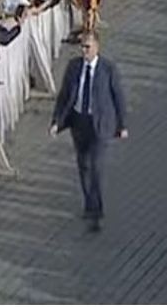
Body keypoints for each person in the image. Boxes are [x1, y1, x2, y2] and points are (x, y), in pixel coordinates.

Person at [50, 31, 128, 231]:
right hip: (79, 121)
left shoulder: (108, 69)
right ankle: (88, 202)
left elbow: (118, 97)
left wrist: (122, 125)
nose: (84, 51)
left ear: (97, 48)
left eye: (88, 47)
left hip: (100, 124)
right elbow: (65, 95)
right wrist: (57, 121)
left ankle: (96, 210)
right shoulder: (74, 67)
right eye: (82, 47)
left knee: (96, 167)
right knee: (83, 164)